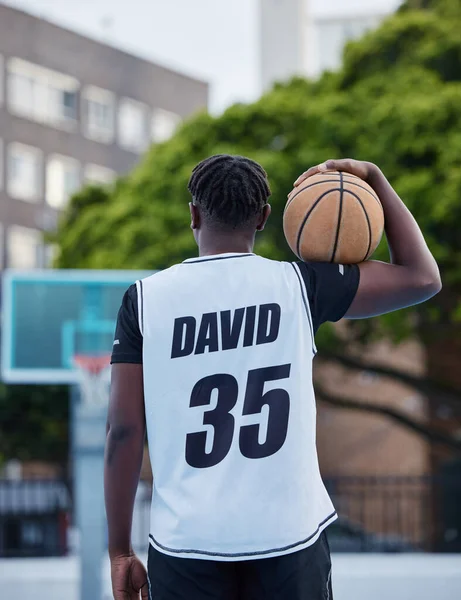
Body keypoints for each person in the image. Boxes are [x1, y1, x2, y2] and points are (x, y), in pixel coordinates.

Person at [105, 155, 441, 600]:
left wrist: (119, 552)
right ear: (264, 217)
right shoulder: (301, 285)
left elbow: (124, 431)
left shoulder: (144, 301)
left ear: (193, 213)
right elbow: (422, 277)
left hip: (187, 542)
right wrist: (376, 178)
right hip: (290, 540)